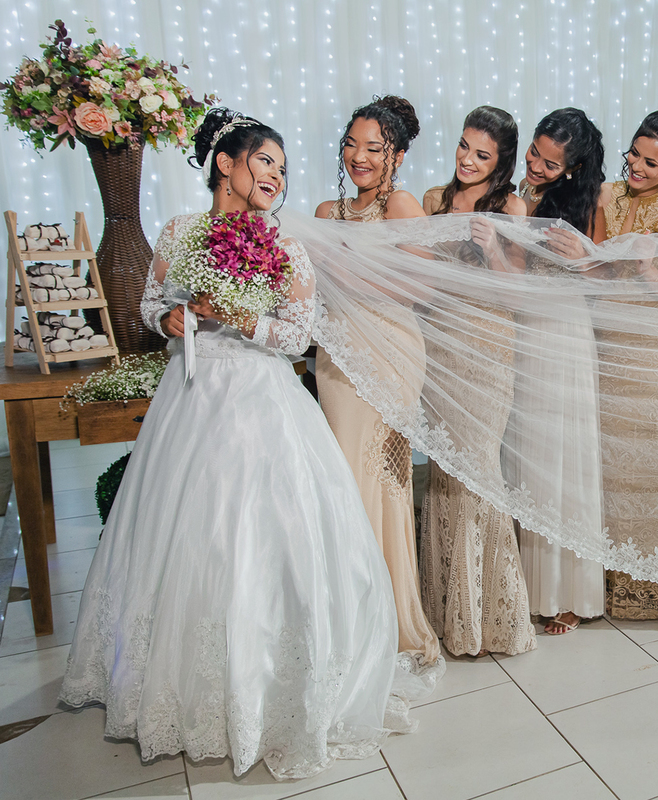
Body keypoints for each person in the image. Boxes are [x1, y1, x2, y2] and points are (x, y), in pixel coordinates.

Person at [59, 109, 408, 780]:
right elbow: (151, 308)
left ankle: (270, 685)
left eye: (282, 166)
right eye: (265, 161)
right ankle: (169, 684)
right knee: (184, 534)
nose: (276, 175)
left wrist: (242, 317)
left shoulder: (288, 247)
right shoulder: (179, 233)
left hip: (262, 399)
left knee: (258, 532)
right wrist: (183, 314)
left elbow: (298, 335)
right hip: (190, 398)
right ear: (226, 163)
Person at [313, 96, 443, 676]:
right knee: (340, 476)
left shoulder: (402, 205)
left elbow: (418, 288)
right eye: (351, 144)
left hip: (388, 352)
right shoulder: (324, 209)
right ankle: (348, 611)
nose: (358, 157)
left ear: (398, 154)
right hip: (335, 356)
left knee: (375, 478)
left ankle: (387, 618)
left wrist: (347, 275)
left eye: (374, 148)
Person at [419, 106, 538, 656]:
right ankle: (445, 608)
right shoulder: (432, 201)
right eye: (464, 146)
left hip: (490, 346)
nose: (467, 160)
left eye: (482, 154)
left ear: (502, 161)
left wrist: (492, 244)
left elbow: (518, 291)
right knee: (444, 471)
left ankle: (492, 614)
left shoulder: (511, 206)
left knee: (478, 470)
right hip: (441, 344)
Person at [592, 109, 658, 631]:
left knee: (652, 469)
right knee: (609, 465)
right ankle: (605, 583)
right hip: (606, 343)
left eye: (650, 161)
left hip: (655, 350)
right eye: (634, 154)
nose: (635, 166)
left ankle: (656, 588)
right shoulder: (606, 196)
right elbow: (592, 269)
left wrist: (647, 266)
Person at [515, 107, 608, 635]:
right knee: (529, 455)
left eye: (550, 163)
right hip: (521, 332)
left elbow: (604, 277)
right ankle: (527, 583)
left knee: (563, 458)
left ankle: (568, 592)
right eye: (534, 152)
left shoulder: (588, 204)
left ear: (572, 168)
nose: (536, 165)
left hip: (564, 334)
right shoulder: (514, 193)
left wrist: (585, 256)